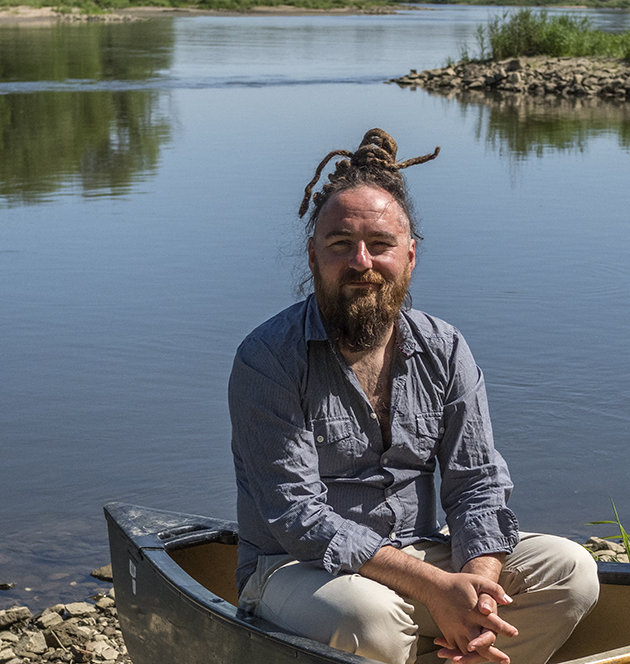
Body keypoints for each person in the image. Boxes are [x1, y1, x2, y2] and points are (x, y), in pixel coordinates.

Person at [229, 129, 598, 664]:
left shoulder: (444, 348)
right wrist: (433, 587)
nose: (362, 262)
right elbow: (296, 517)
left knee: (571, 570)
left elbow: (478, 484)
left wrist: (476, 582)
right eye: (340, 245)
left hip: (420, 551)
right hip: (296, 571)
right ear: (312, 256)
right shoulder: (267, 358)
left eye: (380, 245)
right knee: (368, 619)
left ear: (410, 255)